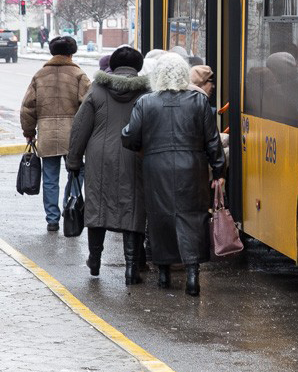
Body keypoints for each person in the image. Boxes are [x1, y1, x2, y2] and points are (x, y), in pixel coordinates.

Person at [121, 52, 227, 296]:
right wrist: (219, 170)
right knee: (192, 217)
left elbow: (129, 135)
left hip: (156, 167)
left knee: (160, 218)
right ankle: (192, 274)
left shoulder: (146, 102)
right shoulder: (198, 101)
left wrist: (143, 148)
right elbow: (213, 141)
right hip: (192, 167)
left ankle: (163, 273)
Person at [68, 46, 151, 285]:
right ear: (138, 66)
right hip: (135, 156)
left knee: (98, 208)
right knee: (134, 209)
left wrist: (74, 161)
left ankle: (94, 261)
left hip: (98, 157)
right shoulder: (147, 92)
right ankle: (131, 270)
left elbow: (80, 127)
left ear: (113, 66)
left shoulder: (97, 90)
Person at [20, 35, 91, 231]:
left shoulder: (40, 75)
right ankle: (71, 208)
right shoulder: (79, 75)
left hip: (47, 134)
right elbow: (88, 106)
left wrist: (29, 131)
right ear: (72, 52)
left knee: (50, 177)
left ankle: (52, 219)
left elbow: (28, 107)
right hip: (73, 135)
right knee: (76, 172)